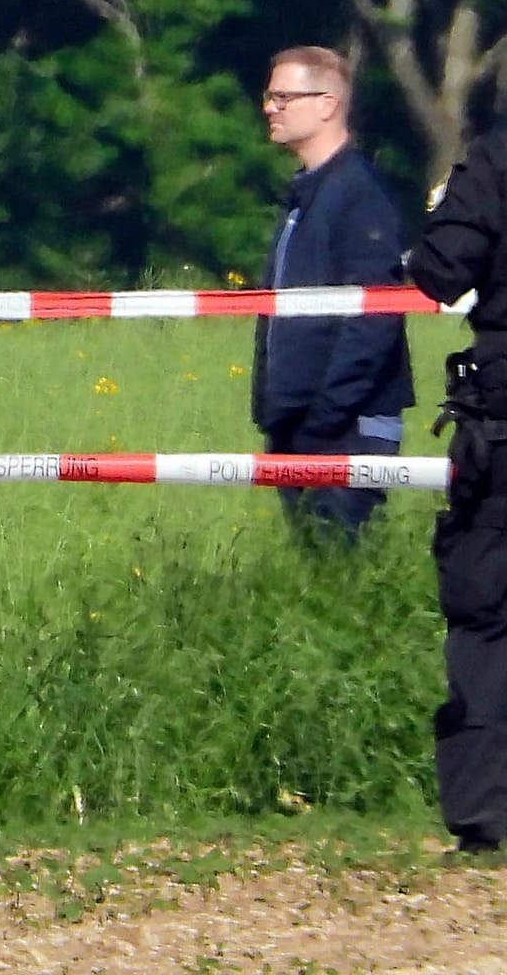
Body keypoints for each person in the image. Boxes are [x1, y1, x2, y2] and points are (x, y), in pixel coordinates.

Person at [250, 45, 413, 540]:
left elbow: (376, 315)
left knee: (337, 571)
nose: (269, 108)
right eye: (269, 96)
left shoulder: (357, 193)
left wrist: (324, 416)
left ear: (327, 104)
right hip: (297, 427)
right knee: (313, 577)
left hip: (344, 430)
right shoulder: (306, 194)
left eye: (283, 97)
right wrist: (276, 414)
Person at [408, 123, 507, 853]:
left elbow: (443, 271)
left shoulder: (497, 157)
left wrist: (444, 208)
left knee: (486, 613)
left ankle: (485, 817)